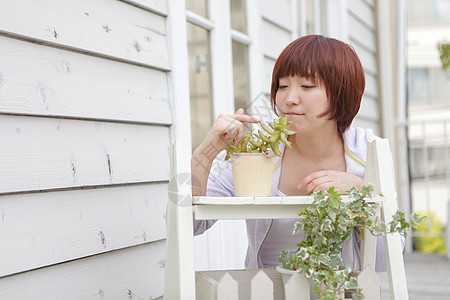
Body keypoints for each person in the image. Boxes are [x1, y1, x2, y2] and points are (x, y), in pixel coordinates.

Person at [190, 35, 404, 272]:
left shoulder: (368, 151)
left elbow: (388, 259)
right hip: (265, 290)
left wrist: (360, 195)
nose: (289, 99)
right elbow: (187, 225)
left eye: (307, 86)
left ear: (341, 92)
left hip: (338, 292)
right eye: (282, 86)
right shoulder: (257, 149)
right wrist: (206, 152)